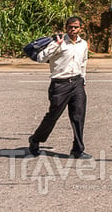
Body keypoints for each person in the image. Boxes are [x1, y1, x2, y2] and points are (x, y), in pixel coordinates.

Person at [28, 17, 91, 159]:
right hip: (60, 84)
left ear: (81, 28)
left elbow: (83, 63)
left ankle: (77, 149)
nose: (72, 29)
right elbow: (41, 58)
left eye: (75, 27)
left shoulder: (83, 44)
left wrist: (83, 80)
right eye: (70, 27)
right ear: (66, 27)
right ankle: (35, 140)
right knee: (52, 116)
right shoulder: (58, 43)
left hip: (77, 83)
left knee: (78, 117)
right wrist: (56, 45)